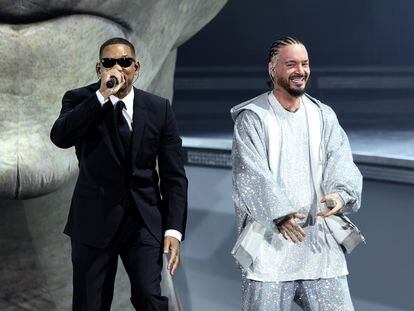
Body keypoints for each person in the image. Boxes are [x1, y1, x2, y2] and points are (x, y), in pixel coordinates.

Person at [50, 37, 187, 311]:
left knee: (150, 298)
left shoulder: (158, 108)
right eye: (109, 62)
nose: (117, 68)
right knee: (91, 304)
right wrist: (102, 96)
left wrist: (174, 229)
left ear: (136, 67)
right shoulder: (80, 100)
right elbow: (61, 136)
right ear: (99, 69)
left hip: (143, 221)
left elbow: (174, 175)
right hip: (94, 221)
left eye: (124, 62)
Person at [231, 36, 362, 310]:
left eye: (304, 64)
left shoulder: (323, 115)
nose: (300, 70)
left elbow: (341, 159)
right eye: (291, 64)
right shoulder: (253, 117)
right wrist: (279, 213)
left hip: (319, 248)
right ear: (272, 68)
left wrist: (340, 196)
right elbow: (250, 173)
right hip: (270, 249)